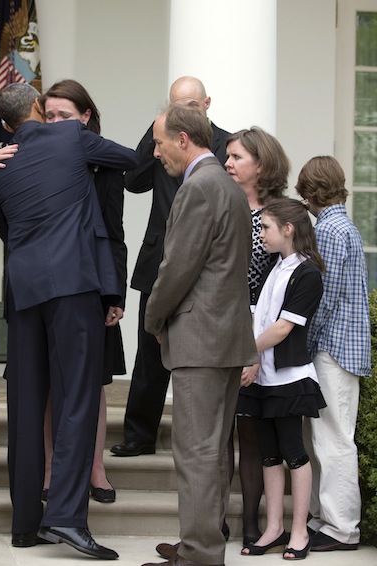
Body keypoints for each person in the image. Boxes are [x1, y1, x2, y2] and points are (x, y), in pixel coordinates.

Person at [0, 82, 138, 560]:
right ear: (42, 111)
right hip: (73, 285)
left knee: (25, 405)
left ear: (5, 125)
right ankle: (65, 518)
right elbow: (129, 160)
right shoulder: (72, 137)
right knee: (78, 401)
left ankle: (26, 522)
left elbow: (0, 223)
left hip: (23, 291)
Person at [142, 103, 257, 566]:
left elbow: (176, 270)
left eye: (159, 142)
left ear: (183, 140)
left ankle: (199, 556)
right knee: (212, 453)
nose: (155, 152)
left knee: (197, 454)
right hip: (226, 338)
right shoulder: (228, 185)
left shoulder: (199, 188)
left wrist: (152, 319)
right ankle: (201, 546)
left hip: (201, 340)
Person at [112, 77, 230, 459]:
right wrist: (158, 127)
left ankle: (200, 441)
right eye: (176, 106)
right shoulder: (162, 142)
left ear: (208, 103)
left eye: (192, 105)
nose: (184, 113)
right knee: (149, 354)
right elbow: (133, 180)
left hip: (205, 267)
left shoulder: (227, 145)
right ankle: (140, 434)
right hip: (159, 261)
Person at [39, 79, 126, 504]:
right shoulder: (36, 154)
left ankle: (95, 468)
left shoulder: (105, 161)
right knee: (52, 383)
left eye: (65, 116)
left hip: (94, 284)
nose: (56, 123)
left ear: (86, 117)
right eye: (49, 116)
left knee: (93, 383)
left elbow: (114, 231)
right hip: (48, 283)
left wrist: (117, 295)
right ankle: (51, 467)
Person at [238, 198, 326, 560]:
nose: (261, 235)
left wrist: (246, 355)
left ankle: (300, 531)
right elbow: (258, 315)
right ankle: (274, 528)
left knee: (293, 454)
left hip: (288, 378)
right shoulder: (275, 266)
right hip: (262, 377)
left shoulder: (308, 273)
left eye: (266, 228)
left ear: (288, 229)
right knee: (269, 456)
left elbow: (283, 328)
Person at [296, 156, 371, 552]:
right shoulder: (347, 226)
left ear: (311, 191)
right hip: (345, 349)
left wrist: (303, 343)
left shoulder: (328, 230)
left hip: (333, 350)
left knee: (334, 440)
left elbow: (323, 299)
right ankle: (328, 520)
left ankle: (342, 529)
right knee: (331, 437)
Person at [225, 126, 290, 546]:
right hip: (222, 329)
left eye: (236, 157)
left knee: (252, 434)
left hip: (265, 336)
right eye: (227, 156)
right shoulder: (221, 202)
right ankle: (212, 523)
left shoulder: (284, 215)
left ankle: (252, 525)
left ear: (261, 165)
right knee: (217, 436)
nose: (227, 163)